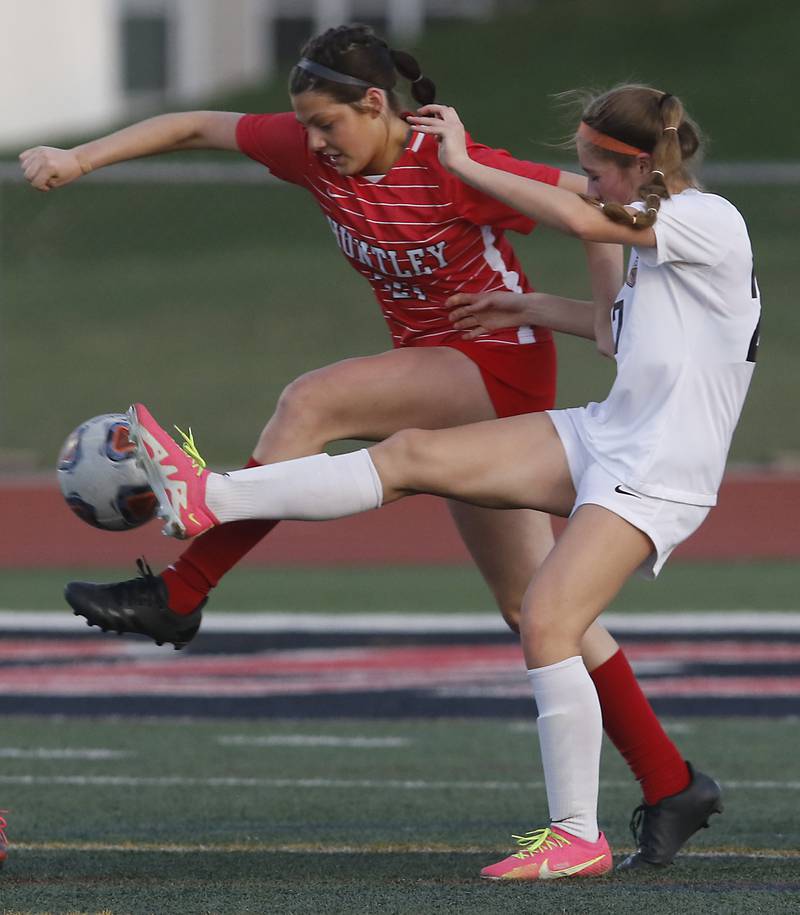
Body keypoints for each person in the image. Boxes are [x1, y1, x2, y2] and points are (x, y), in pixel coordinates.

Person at [21, 29, 720, 868]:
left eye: (326, 124)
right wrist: (81, 157)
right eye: (305, 127)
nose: (314, 142)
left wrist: (605, 318)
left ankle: (183, 588)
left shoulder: (450, 161)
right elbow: (193, 126)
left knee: (312, 402)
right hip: (433, 374)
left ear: (376, 105)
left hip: (494, 367)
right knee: (536, 608)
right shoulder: (317, 152)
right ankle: (671, 779)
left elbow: (599, 210)